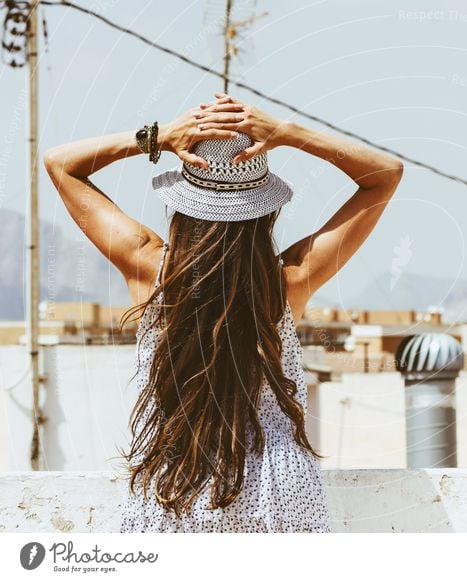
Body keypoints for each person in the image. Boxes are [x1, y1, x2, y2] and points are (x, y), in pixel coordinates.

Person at [43, 92, 404, 532]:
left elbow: (60, 163)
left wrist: (156, 137)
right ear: (265, 211)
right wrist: (289, 134)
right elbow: (385, 175)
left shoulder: (146, 267)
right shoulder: (286, 283)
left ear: (180, 202)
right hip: (279, 493)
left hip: (176, 484)